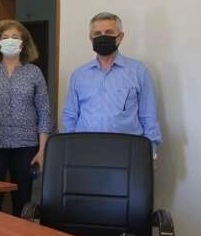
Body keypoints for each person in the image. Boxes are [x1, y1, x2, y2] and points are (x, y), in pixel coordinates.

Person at [63, 12, 162, 156]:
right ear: (91, 39)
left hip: (127, 152)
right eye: (97, 34)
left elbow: (148, 116)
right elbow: (70, 116)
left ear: (120, 37)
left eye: (109, 32)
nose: (103, 37)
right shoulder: (79, 75)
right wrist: (70, 150)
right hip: (86, 151)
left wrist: (151, 153)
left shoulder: (138, 71)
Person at [0, 20, 51, 217]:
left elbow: (44, 111)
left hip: (26, 146)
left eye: (14, 37)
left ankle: (21, 235)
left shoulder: (34, 72)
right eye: (5, 37)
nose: (9, 41)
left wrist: (42, 150)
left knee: (22, 198)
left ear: (23, 42)